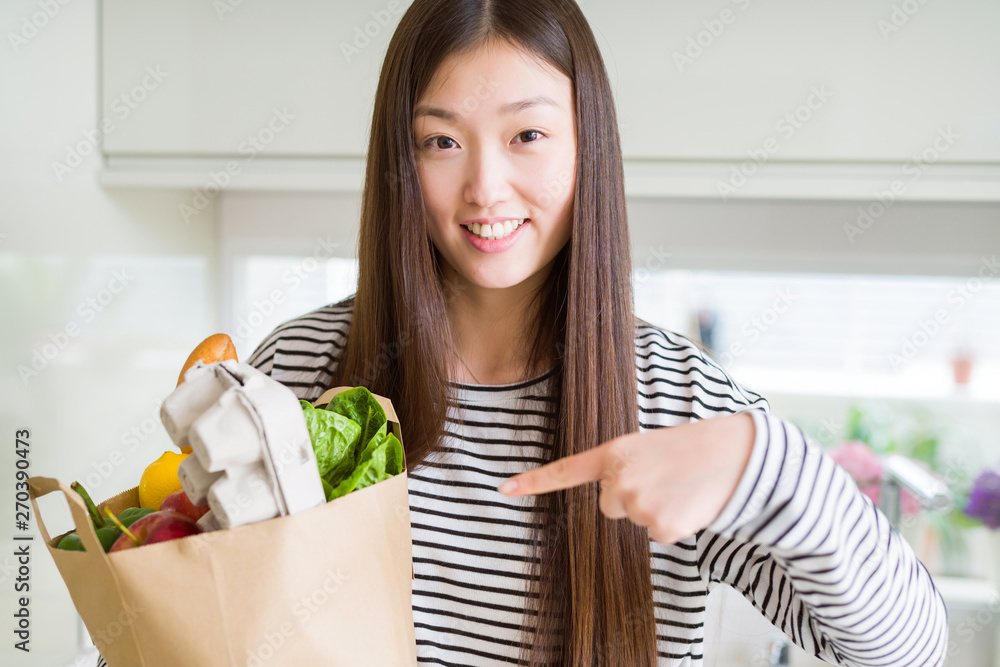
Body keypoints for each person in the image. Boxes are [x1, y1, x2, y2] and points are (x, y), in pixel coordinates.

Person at [95, 1, 946, 665]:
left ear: (588, 145)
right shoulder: (296, 376)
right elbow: (179, 621)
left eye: (528, 135)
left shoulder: (682, 406)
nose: (485, 189)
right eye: (440, 141)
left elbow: (910, 648)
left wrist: (766, 462)